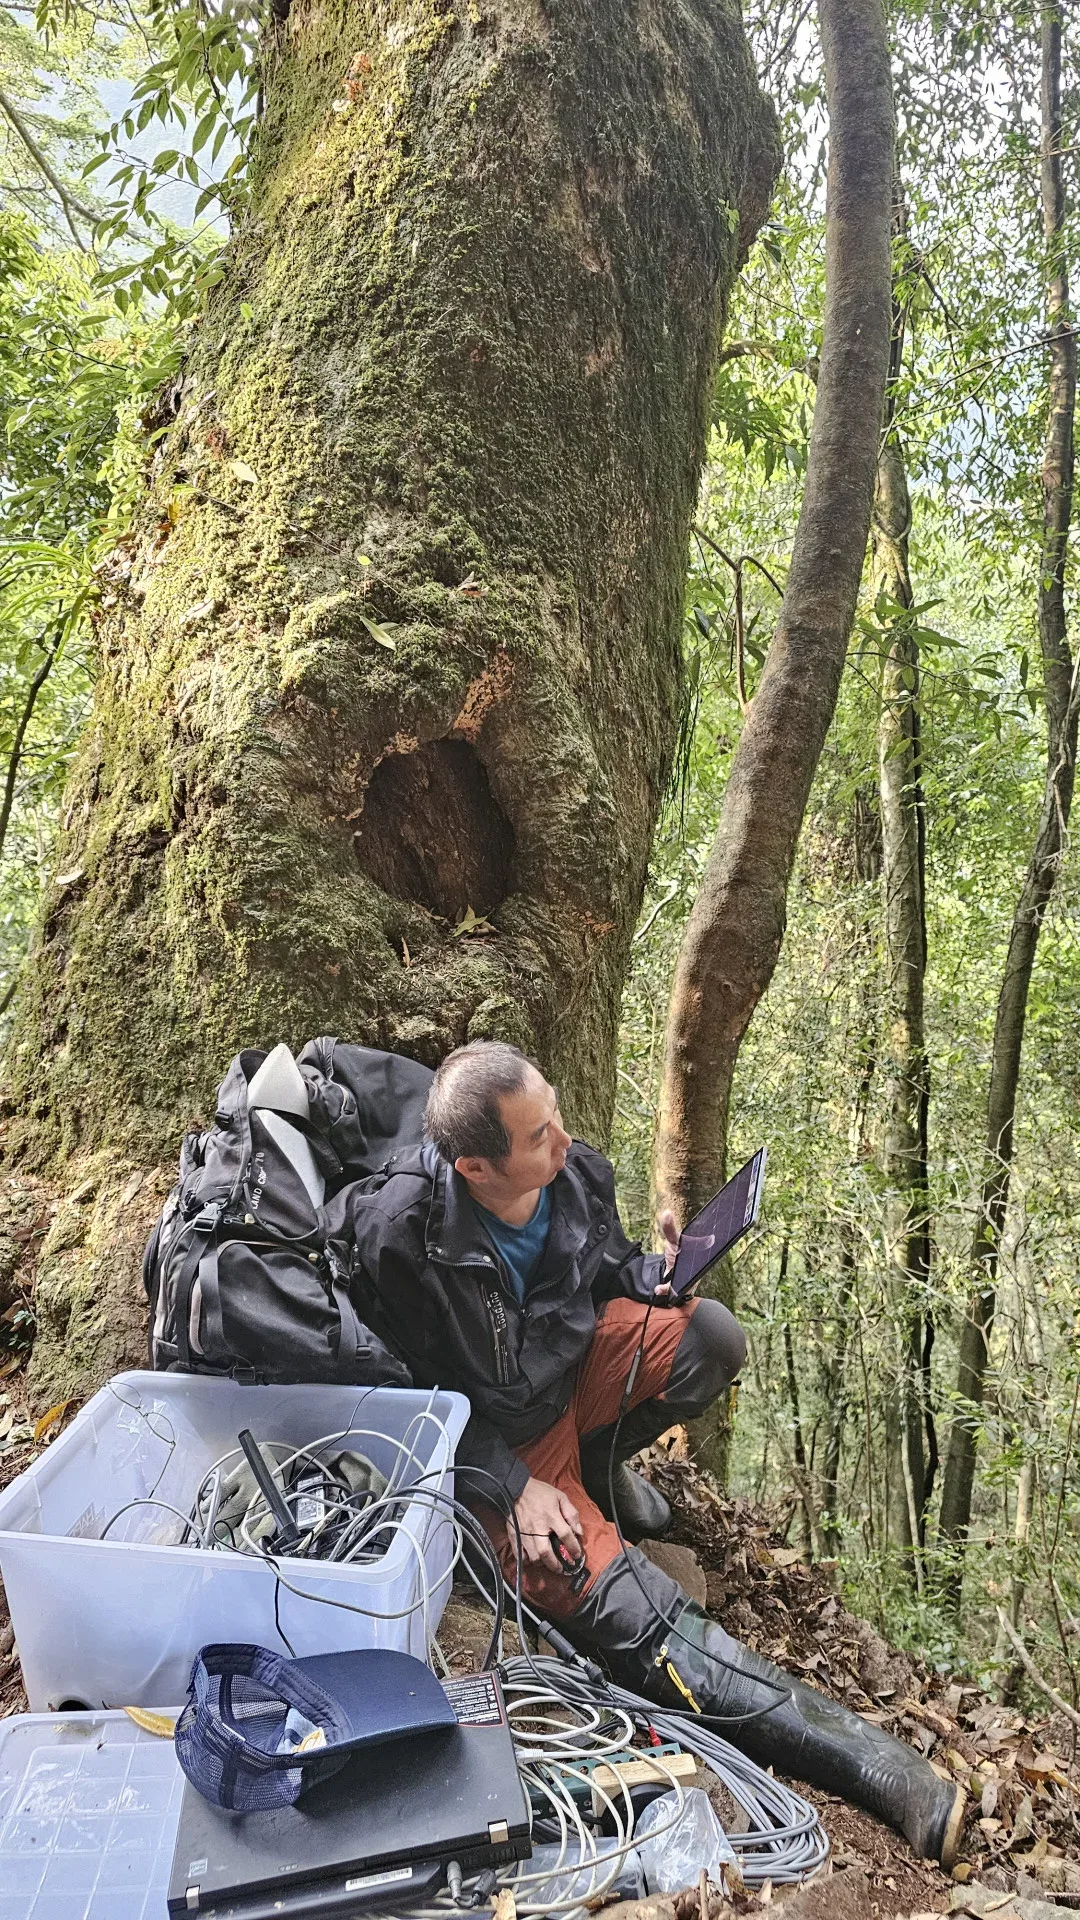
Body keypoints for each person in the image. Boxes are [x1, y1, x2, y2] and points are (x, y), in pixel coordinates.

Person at [347, 1041, 964, 1868]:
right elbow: (397, 1395)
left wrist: (656, 1271)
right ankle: (876, 1764)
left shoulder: (576, 1175)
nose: (564, 1144)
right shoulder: (399, 1238)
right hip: (494, 1451)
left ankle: (601, 1470)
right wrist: (513, 1483)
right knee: (633, 1609)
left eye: (556, 1113)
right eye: (538, 1138)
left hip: (565, 1388)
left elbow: (600, 1274)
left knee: (709, 1336)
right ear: (475, 1168)